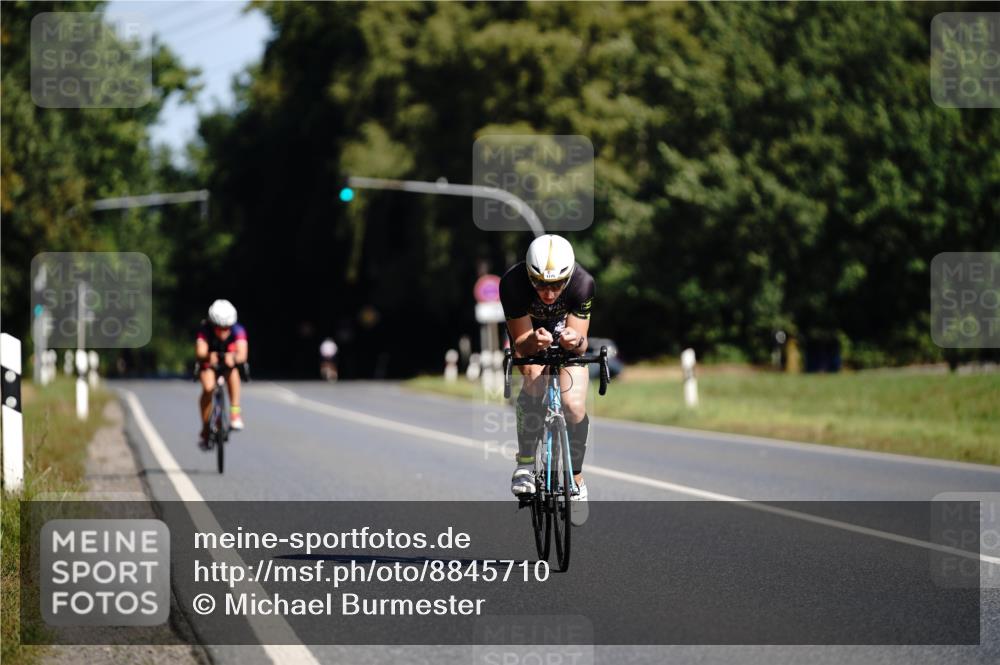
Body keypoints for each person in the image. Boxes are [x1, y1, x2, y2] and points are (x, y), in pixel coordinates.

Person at [499, 234, 594, 525]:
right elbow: (521, 345)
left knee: (573, 405)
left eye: (555, 285)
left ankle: (576, 479)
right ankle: (525, 463)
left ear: (567, 278)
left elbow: (582, 344)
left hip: (566, 341)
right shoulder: (513, 284)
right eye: (540, 283)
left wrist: (574, 339)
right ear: (529, 275)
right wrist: (534, 340)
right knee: (534, 377)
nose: (549, 293)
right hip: (530, 338)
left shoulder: (582, 283)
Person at [195, 299, 248, 448]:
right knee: (208, 388)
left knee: (233, 371)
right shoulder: (205, 329)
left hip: (228, 364)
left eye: (227, 328)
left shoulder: (238, 329)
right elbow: (200, 351)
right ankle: (206, 427)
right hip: (209, 364)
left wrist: (234, 357)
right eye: (219, 328)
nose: (223, 332)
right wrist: (207, 356)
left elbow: (242, 354)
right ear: (213, 324)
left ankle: (235, 412)